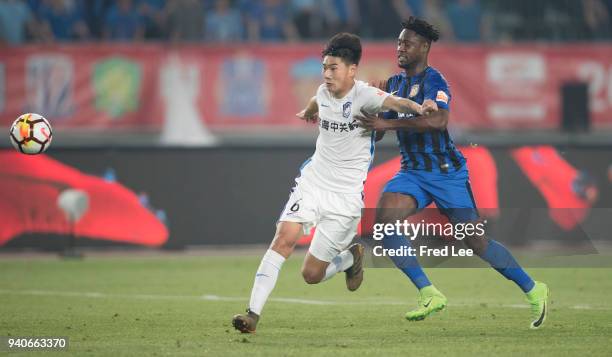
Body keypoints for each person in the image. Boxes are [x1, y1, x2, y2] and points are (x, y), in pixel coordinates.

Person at [232, 32, 436, 333]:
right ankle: (252, 314)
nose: (327, 74)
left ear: (352, 70)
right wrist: (309, 112)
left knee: (311, 274)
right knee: (283, 238)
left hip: (345, 198)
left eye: (334, 68)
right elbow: (318, 99)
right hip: (313, 182)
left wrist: (420, 108)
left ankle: (350, 257)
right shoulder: (323, 91)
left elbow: (396, 101)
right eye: (324, 68)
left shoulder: (365, 96)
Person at [355, 17, 549, 329]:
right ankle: (429, 293)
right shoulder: (394, 84)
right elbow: (378, 132)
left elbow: (439, 121)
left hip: (447, 175)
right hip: (413, 173)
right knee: (384, 220)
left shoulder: (436, 82)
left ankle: (533, 288)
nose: (400, 48)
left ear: (425, 47)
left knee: (478, 243)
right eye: (398, 42)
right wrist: (374, 111)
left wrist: (388, 123)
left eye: (407, 43)